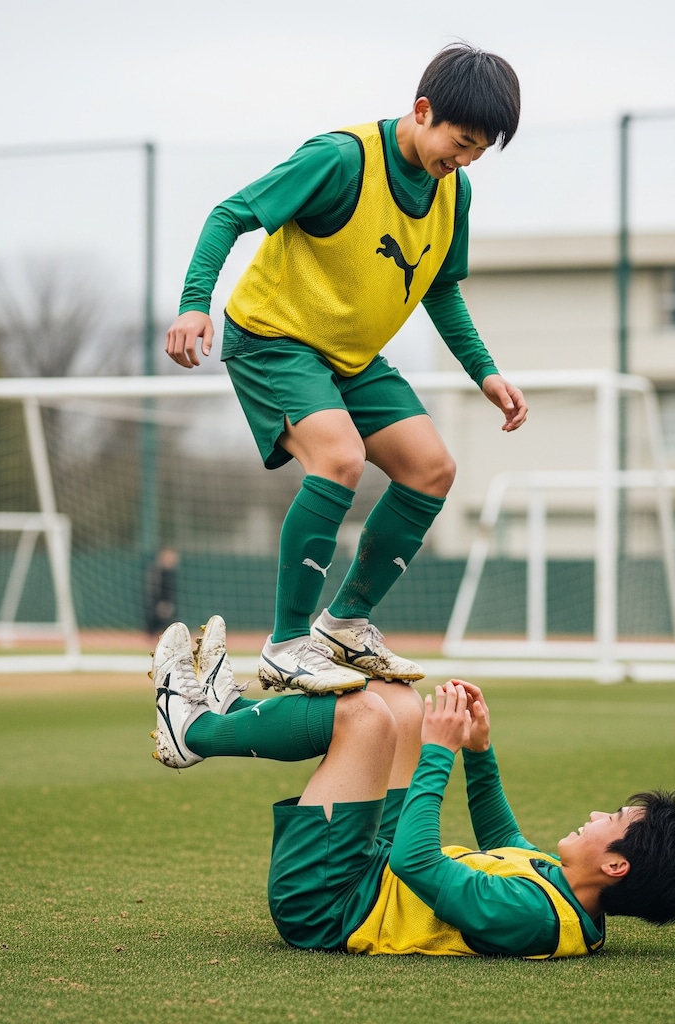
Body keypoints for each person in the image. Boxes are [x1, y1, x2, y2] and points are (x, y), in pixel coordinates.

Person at [164, 43, 528, 695]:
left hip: (347, 357)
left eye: (477, 152)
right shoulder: (340, 160)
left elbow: (440, 288)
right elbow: (230, 214)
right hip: (273, 338)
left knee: (432, 468)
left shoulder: (453, 192)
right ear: (423, 111)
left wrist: (486, 372)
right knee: (339, 458)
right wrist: (195, 306)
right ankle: (286, 644)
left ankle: (345, 626)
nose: (464, 160)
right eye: (461, 142)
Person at [150, 618, 675, 958]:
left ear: (617, 866)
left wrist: (440, 751)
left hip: (328, 904)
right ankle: (230, 713)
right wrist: (480, 749)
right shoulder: (566, 892)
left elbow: (417, 862)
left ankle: (196, 731)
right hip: (369, 873)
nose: (597, 813)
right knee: (396, 702)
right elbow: (506, 840)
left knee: (367, 717)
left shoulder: (533, 918)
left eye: (613, 819)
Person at [144, 547, 179, 638]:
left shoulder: (170, 573)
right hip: (159, 602)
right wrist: (160, 603)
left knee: (170, 624)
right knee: (156, 624)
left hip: (167, 602)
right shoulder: (158, 572)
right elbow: (155, 590)